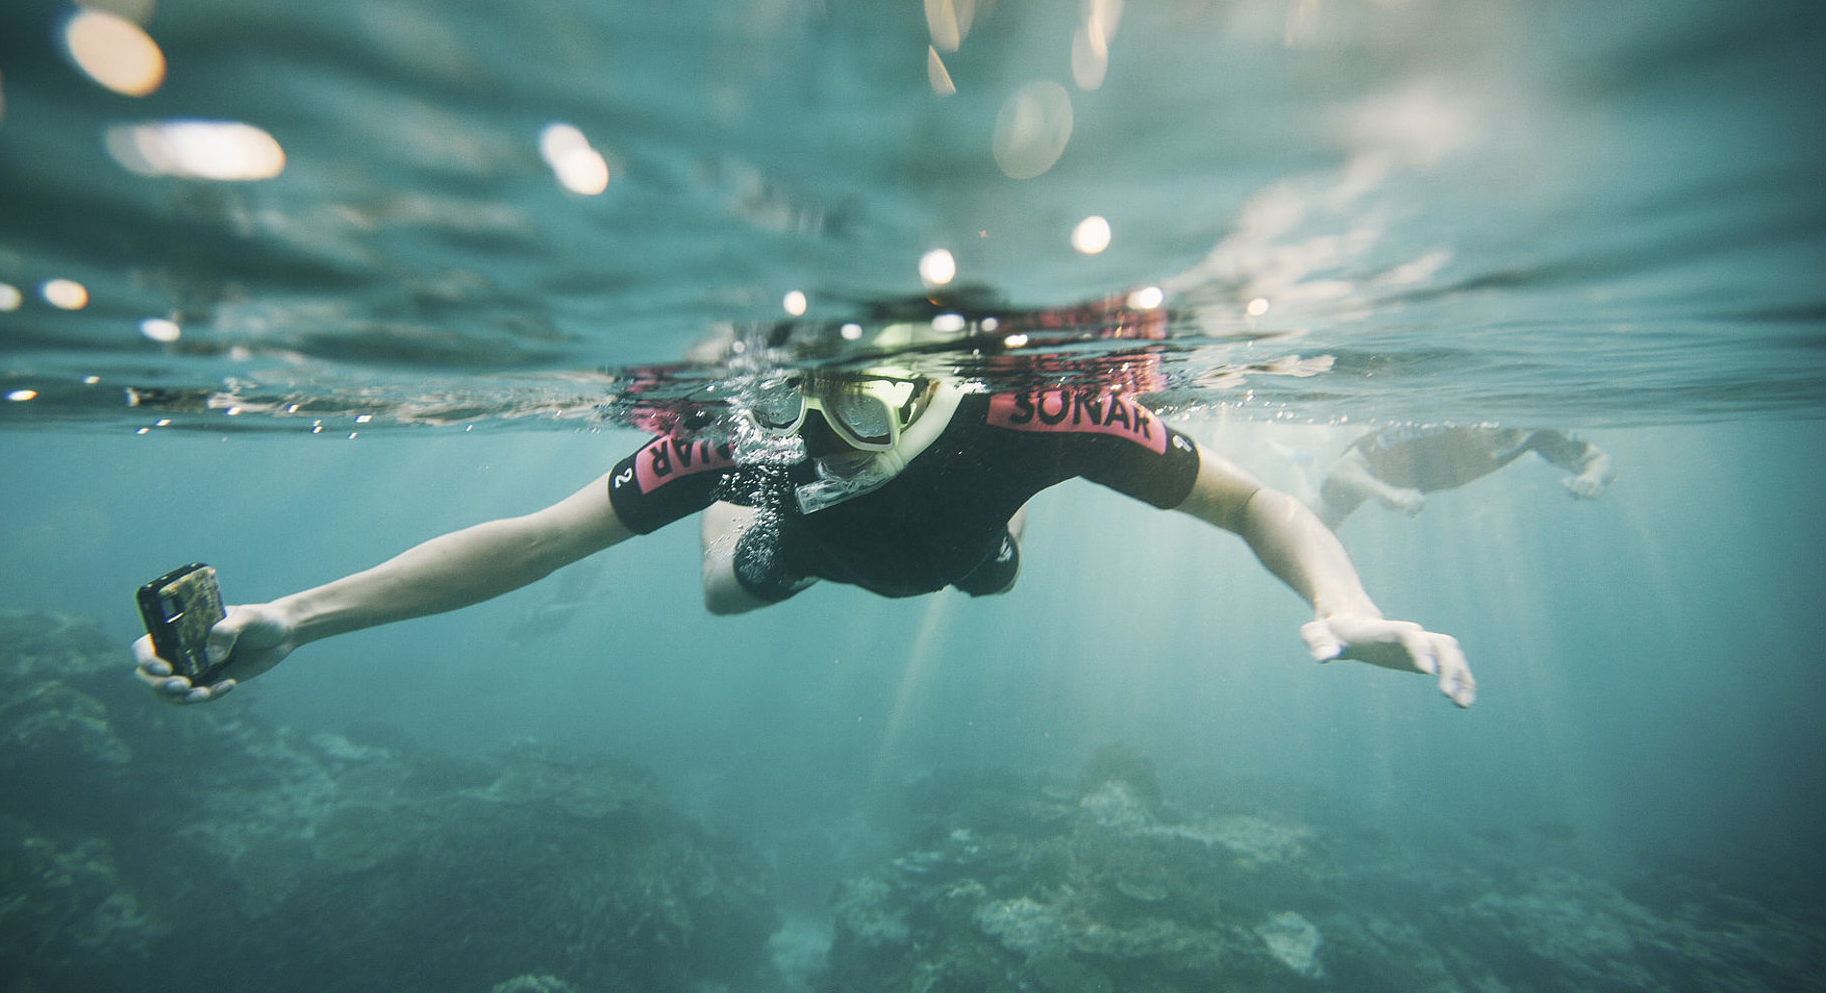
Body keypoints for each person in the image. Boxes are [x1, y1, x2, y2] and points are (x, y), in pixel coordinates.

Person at [134, 366, 1477, 708]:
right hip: (793, 550)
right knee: (739, 580)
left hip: (964, 541)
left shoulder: (1038, 409)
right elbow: (533, 543)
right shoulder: (749, 444)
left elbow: (1253, 499)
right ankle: (746, 550)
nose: (813, 431)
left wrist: (1348, 601)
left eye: (851, 396)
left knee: (984, 568)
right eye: (789, 397)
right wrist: (293, 616)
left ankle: (984, 547)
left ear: (940, 379)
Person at [1313, 424, 1614, 531]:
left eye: (1515, 433)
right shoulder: (1430, 427)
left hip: (1405, 485)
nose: (1507, 441)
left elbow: (1598, 459)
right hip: (1374, 475)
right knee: (1318, 526)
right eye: (1497, 432)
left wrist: (1593, 478)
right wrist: (1390, 494)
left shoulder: (1533, 435)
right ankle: (1296, 464)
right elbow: (1342, 469)